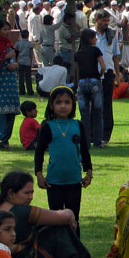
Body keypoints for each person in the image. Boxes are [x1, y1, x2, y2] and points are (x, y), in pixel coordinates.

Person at [34, 85, 93, 222]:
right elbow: (39, 152)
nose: (63, 106)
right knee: (56, 218)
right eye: (58, 102)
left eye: (67, 102)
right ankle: (56, 243)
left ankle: (74, 243)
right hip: (54, 181)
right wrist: (39, 174)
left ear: (73, 104)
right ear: (51, 105)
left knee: (73, 218)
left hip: (74, 179)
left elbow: (84, 150)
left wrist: (89, 172)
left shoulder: (78, 125)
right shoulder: (47, 126)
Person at [0, 20, 20, 150]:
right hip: (1, 82)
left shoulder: (10, 44)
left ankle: (6, 139)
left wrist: (15, 65)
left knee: (10, 111)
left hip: (11, 82)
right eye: (4, 29)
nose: (6, 32)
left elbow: (15, 59)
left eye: (8, 29)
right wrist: (7, 57)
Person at [93, 9, 121, 144]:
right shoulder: (90, 35)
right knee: (94, 104)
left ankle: (105, 134)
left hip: (108, 73)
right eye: (103, 20)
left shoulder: (111, 36)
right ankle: (93, 133)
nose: (106, 23)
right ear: (96, 20)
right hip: (93, 72)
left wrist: (118, 73)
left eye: (107, 21)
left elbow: (115, 55)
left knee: (107, 105)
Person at [74, 27, 105, 147]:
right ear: (90, 39)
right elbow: (103, 66)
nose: (96, 39)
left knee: (84, 115)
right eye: (94, 37)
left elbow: (77, 71)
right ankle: (97, 141)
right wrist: (100, 76)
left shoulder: (78, 53)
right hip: (94, 81)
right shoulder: (95, 50)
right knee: (98, 113)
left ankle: (85, 142)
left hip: (82, 82)